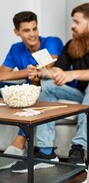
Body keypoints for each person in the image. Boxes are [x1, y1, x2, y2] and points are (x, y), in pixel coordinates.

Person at [10, 3, 89, 173]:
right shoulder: (73, 44)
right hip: (84, 95)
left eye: (76, 22)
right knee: (47, 87)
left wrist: (73, 75)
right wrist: (42, 73)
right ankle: (45, 152)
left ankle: (79, 146)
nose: (72, 26)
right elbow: (58, 69)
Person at [0, 11, 63, 170]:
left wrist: (35, 71)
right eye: (27, 30)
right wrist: (25, 72)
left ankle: (19, 143)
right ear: (17, 32)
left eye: (35, 29)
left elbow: (49, 66)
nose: (33, 34)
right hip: (29, 87)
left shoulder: (52, 42)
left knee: (39, 89)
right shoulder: (16, 48)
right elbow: (1, 75)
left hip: (50, 86)